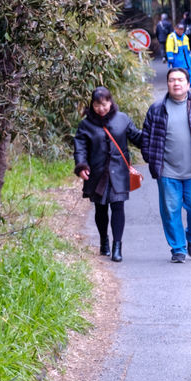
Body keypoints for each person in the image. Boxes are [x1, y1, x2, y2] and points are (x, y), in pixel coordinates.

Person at [138, 67, 191, 263]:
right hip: (167, 170)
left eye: (180, 80)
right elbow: (146, 136)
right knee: (170, 209)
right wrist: (150, 156)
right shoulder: (157, 109)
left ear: (187, 83)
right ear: (167, 84)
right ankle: (178, 248)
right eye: (172, 80)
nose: (176, 83)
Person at [74, 86, 142, 263]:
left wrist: (153, 135)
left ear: (110, 102)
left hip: (119, 172)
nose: (101, 109)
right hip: (97, 173)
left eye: (104, 104)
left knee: (118, 207)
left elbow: (136, 138)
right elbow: (80, 148)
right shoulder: (85, 124)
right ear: (92, 105)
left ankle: (117, 246)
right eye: (97, 105)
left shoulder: (122, 119)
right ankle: (104, 239)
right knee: (101, 209)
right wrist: (81, 166)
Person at [165, 22, 191, 90]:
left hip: (186, 59)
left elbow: (188, 49)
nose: (181, 31)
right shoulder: (172, 37)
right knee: (180, 75)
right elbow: (169, 48)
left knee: (189, 74)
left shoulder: (185, 37)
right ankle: (183, 88)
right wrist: (170, 59)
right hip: (177, 60)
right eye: (179, 29)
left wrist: (190, 57)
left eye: (182, 29)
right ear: (176, 29)